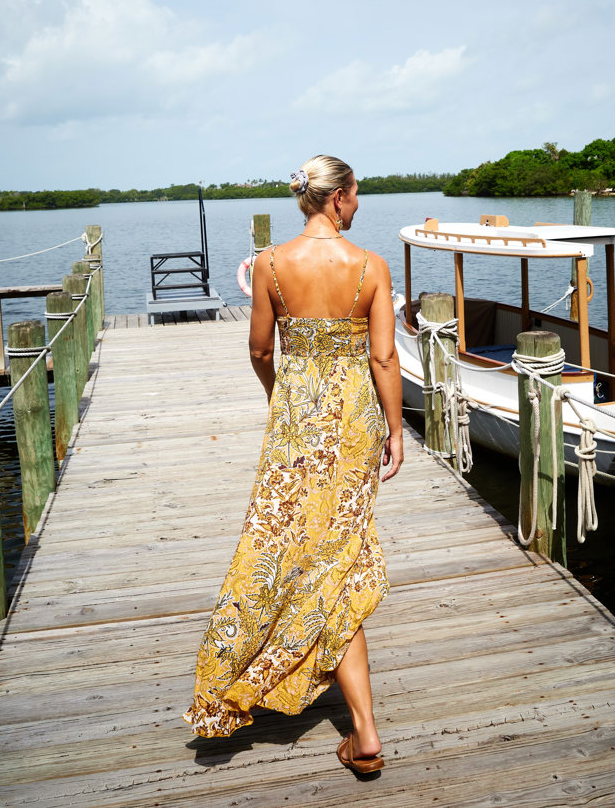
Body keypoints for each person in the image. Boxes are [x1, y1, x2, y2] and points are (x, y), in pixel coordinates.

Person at [183, 154, 403, 775]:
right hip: (356, 425)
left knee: (283, 552)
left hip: (296, 427)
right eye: (355, 195)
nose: (358, 205)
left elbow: (258, 350)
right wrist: (394, 429)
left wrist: (284, 394)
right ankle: (363, 729)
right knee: (341, 557)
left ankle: (357, 725)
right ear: (337, 200)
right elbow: (384, 360)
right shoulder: (371, 267)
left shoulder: (270, 266)